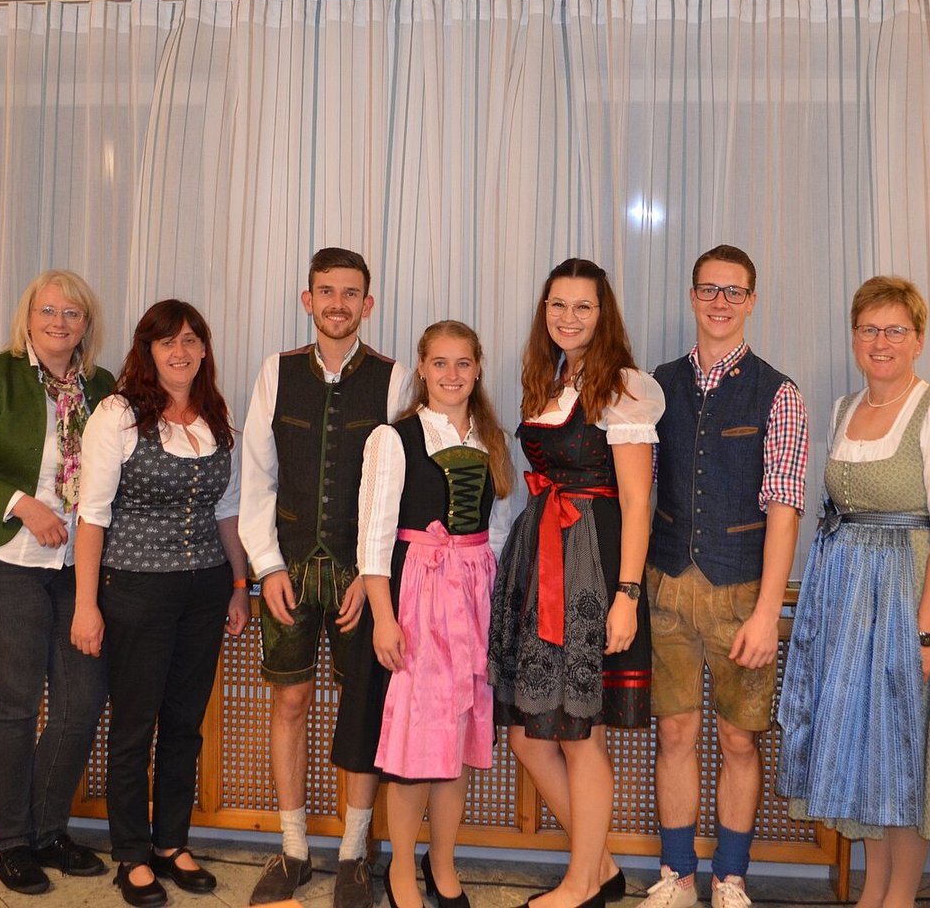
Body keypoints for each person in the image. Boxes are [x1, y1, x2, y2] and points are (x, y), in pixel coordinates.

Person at [776, 276, 930, 908]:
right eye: (868, 329)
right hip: (846, 598)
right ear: (854, 337)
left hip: (905, 598)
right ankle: (872, 891)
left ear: (918, 339)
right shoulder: (843, 409)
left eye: (895, 330)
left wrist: (925, 634)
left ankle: (899, 896)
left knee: (900, 752)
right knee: (865, 756)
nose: (880, 342)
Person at [0, 269, 114, 894]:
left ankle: (49, 832)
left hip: (75, 569)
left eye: (72, 313)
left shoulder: (104, 389)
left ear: (87, 325)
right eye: (48, 310)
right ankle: (9, 842)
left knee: (81, 702)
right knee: (15, 703)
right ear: (27, 318)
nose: (59, 322)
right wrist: (21, 503)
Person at [488, 257, 664, 908]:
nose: (568, 317)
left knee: (580, 735)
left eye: (582, 306)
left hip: (592, 563)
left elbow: (637, 502)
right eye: (557, 305)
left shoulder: (623, 387)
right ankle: (602, 865)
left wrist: (626, 597)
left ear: (602, 313)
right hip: (543, 558)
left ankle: (582, 882)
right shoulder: (550, 377)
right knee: (527, 735)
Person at [239, 248, 410, 908]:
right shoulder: (276, 372)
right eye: (326, 292)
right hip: (286, 571)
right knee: (289, 702)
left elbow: (397, 492)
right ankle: (292, 849)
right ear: (307, 300)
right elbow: (257, 477)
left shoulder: (394, 379)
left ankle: (353, 855)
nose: (338, 304)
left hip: (359, 578)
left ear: (368, 304)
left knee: (361, 709)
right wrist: (266, 566)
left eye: (350, 293)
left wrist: (371, 578)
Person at [641, 246, 809, 908]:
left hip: (741, 592)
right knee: (674, 733)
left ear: (751, 301)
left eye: (733, 291)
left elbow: (784, 508)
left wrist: (768, 613)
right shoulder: (654, 386)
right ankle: (677, 876)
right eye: (709, 289)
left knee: (739, 739)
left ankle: (730, 878)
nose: (720, 302)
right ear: (692, 296)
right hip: (666, 585)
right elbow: (640, 493)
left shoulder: (779, 393)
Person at [72, 299, 251, 908]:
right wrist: (86, 605)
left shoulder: (219, 416)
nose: (181, 351)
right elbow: (92, 517)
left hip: (204, 590)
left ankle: (172, 842)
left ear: (204, 349)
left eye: (191, 340)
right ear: (147, 350)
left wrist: (239, 585)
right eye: (167, 341)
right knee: (133, 726)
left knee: (183, 724)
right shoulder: (118, 414)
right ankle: (130, 853)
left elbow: (228, 510)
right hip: (136, 590)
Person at [346, 321, 515, 908]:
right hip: (417, 597)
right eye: (439, 363)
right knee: (415, 748)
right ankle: (399, 871)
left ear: (477, 368)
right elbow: (373, 538)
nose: (451, 374)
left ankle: (442, 863)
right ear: (421, 368)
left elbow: (496, 531)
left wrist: (493, 608)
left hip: (473, 597)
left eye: (463, 363)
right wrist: (384, 618)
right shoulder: (394, 439)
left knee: (456, 744)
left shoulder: (493, 439)